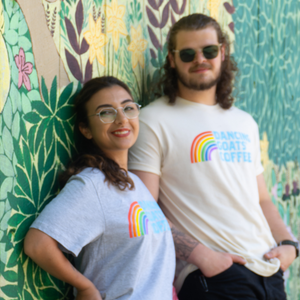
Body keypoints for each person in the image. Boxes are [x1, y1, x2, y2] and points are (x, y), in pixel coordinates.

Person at [128, 14, 299, 300]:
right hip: (215, 278)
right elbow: (145, 208)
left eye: (208, 51)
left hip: (270, 271)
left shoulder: (245, 122)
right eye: (187, 54)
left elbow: (263, 199)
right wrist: (203, 258)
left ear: (222, 52)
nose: (200, 59)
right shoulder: (152, 121)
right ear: (172, 59)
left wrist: (289, 245)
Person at [24, 76, 175, 300]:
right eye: (106, 112)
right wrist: (85, 287)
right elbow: (37, 244)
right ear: (86, 129)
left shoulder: (134, 182)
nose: (122, 119)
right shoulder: (93, 183)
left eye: (128, 108)